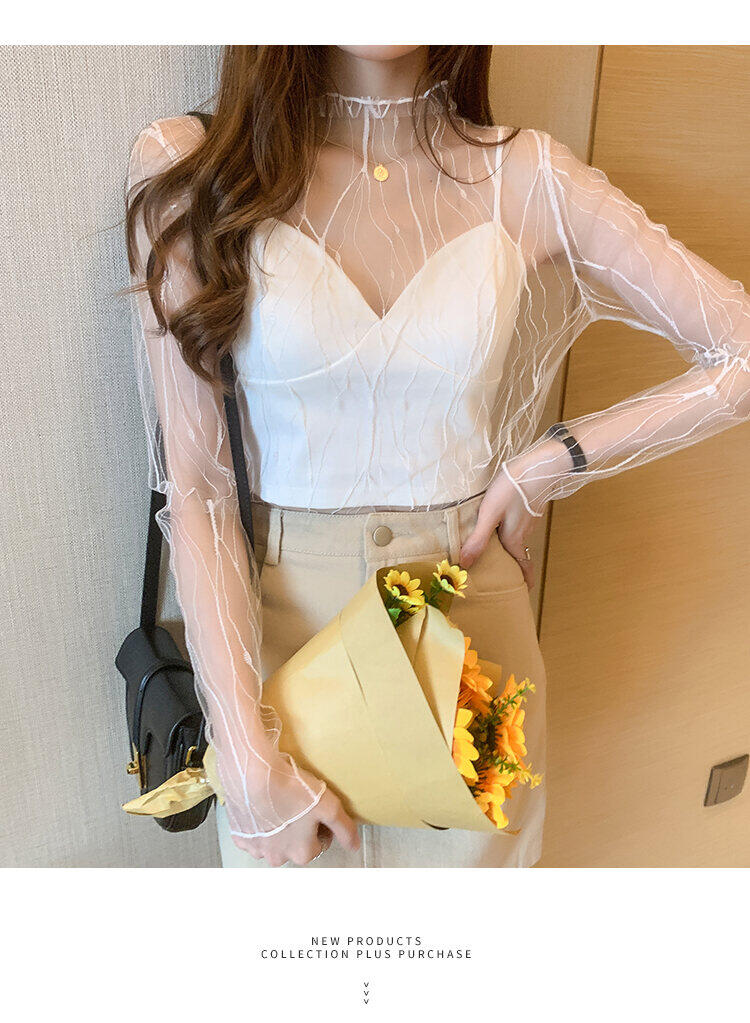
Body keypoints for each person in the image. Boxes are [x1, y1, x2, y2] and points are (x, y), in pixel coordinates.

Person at [126, 45, 750, 868]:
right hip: (273, 656)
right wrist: (241, 746)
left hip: (473, 636)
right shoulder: (191, 165)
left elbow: (739, 352)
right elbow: (199, 485)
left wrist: (554, 459)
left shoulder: (529, 176)